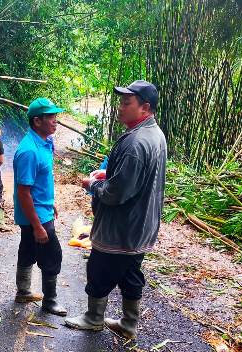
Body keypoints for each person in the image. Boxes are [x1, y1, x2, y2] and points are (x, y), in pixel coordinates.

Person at [65, 80, 167, 340]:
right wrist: (109, 172)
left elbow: (115, 193)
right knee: (131, 273)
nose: (120, 107)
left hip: (121, 229)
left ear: (145, 107)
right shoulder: (154, 134)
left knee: (99, 271)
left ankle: (93, 318)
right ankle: (128, 323)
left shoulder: (135, 143)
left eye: (126, 103)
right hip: (141, 228)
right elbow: (135, 175)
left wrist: (93, 185)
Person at [13, 97, 67, 316]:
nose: (56, 121)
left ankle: (23, 291)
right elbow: (23, 192)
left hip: (41, 210)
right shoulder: (29, 151)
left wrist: (49, 204)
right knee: (52, 255)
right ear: (37, 121)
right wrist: (38, 225)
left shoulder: (45, 142)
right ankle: (50, 301)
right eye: (51, 117)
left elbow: (39, 183)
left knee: (27, 249)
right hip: (35, 216)